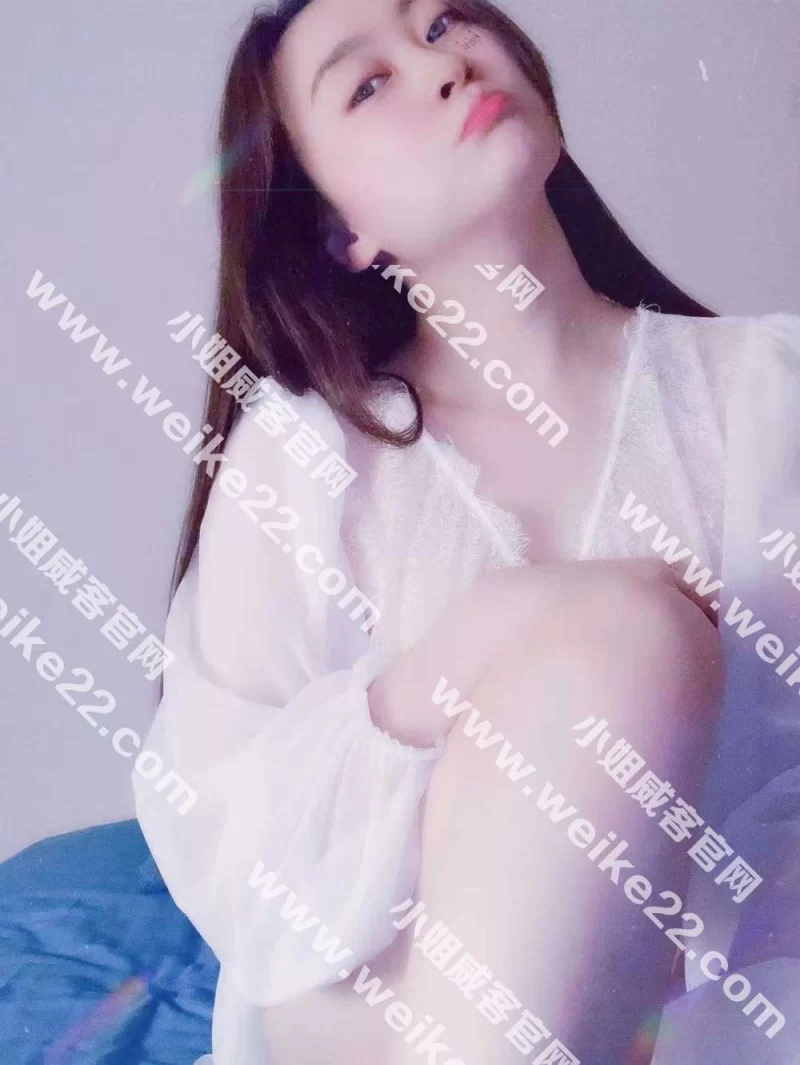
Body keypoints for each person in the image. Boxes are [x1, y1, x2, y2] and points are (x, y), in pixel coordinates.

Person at [133, 0, 800, 1062]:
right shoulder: (307, 456)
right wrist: (478, 637)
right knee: (619, 637)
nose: (442, 65)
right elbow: (234, 849)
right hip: (387, 1012)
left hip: (722, 1011)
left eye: (443, 23)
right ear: (339, 231)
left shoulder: (768, 394)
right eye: (367, 84)